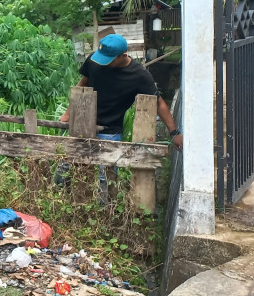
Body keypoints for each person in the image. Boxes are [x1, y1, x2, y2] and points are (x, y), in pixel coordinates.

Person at [60, 34, 183, 200]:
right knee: (65, 167)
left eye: (109, 59)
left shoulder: (139, 75)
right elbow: (83, 84)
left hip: (110, 130)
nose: (103, 62)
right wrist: (68, 113)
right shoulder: (95, 60)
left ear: (123, 55)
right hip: (82, 124)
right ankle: (64, 204)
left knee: (106, 178)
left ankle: (105, 215)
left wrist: (174, 132)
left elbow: (159, 103)